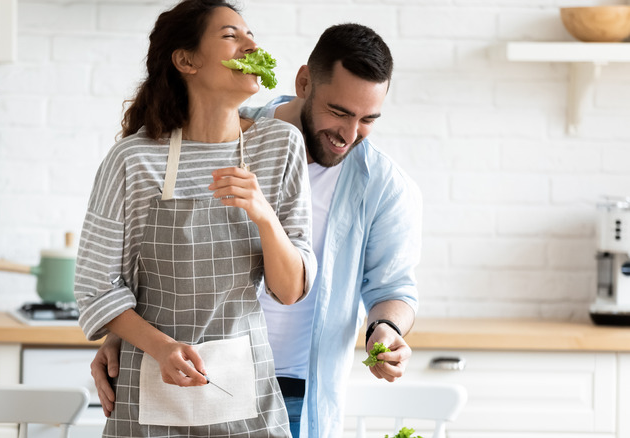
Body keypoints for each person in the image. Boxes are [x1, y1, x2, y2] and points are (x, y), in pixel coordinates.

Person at [88, 22, 422, 438]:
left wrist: (384, 332)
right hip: (198, 373)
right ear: (304, 82)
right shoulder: (228, 135)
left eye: (367, 119)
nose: (348, 135)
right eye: (338, 112)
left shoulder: (384, 185)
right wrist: (127, 337)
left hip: (300, 390)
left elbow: (392, 288)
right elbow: (164, 260)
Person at [73, 0, 316, 437]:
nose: (250, 44)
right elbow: (96, 286)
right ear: (186, 60)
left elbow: (290, 289)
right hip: (151, 383)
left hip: (247, 395)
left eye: (250, 34)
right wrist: (161, 348)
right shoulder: (134, 159)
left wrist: (265, 217)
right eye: (231, 35)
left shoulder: (281, 145)